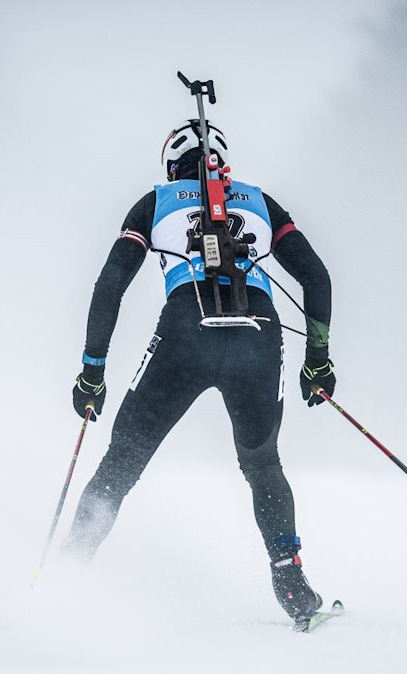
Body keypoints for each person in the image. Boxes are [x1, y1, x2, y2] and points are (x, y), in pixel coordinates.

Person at [64, 119, 336, 623]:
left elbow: (110, 284)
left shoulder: (157, 201)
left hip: (187, 332)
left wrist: (92, 370)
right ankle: (294, 590)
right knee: (262, 464)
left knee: (122, 461)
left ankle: (63, 580)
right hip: (260, 337)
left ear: (173, 164)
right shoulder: (260, 201)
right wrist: (316, 360)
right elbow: (315, 276)